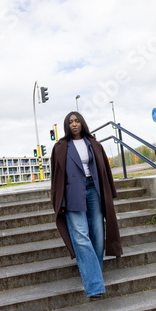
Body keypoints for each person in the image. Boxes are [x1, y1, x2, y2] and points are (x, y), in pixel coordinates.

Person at [51, 111, 122, 299]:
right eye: (70, 122)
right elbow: (56, 177)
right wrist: (60, 200)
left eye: (77, 121)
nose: (74, 124)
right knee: (81, 236)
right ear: (67, 126)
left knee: (98, 234)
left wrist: (110, 192)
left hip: (94, 190)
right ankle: (95, 286)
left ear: (82, 123)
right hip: (72, 193)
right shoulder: (60, 147)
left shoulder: (94, 144)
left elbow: (105, 170)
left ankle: (93, 274)